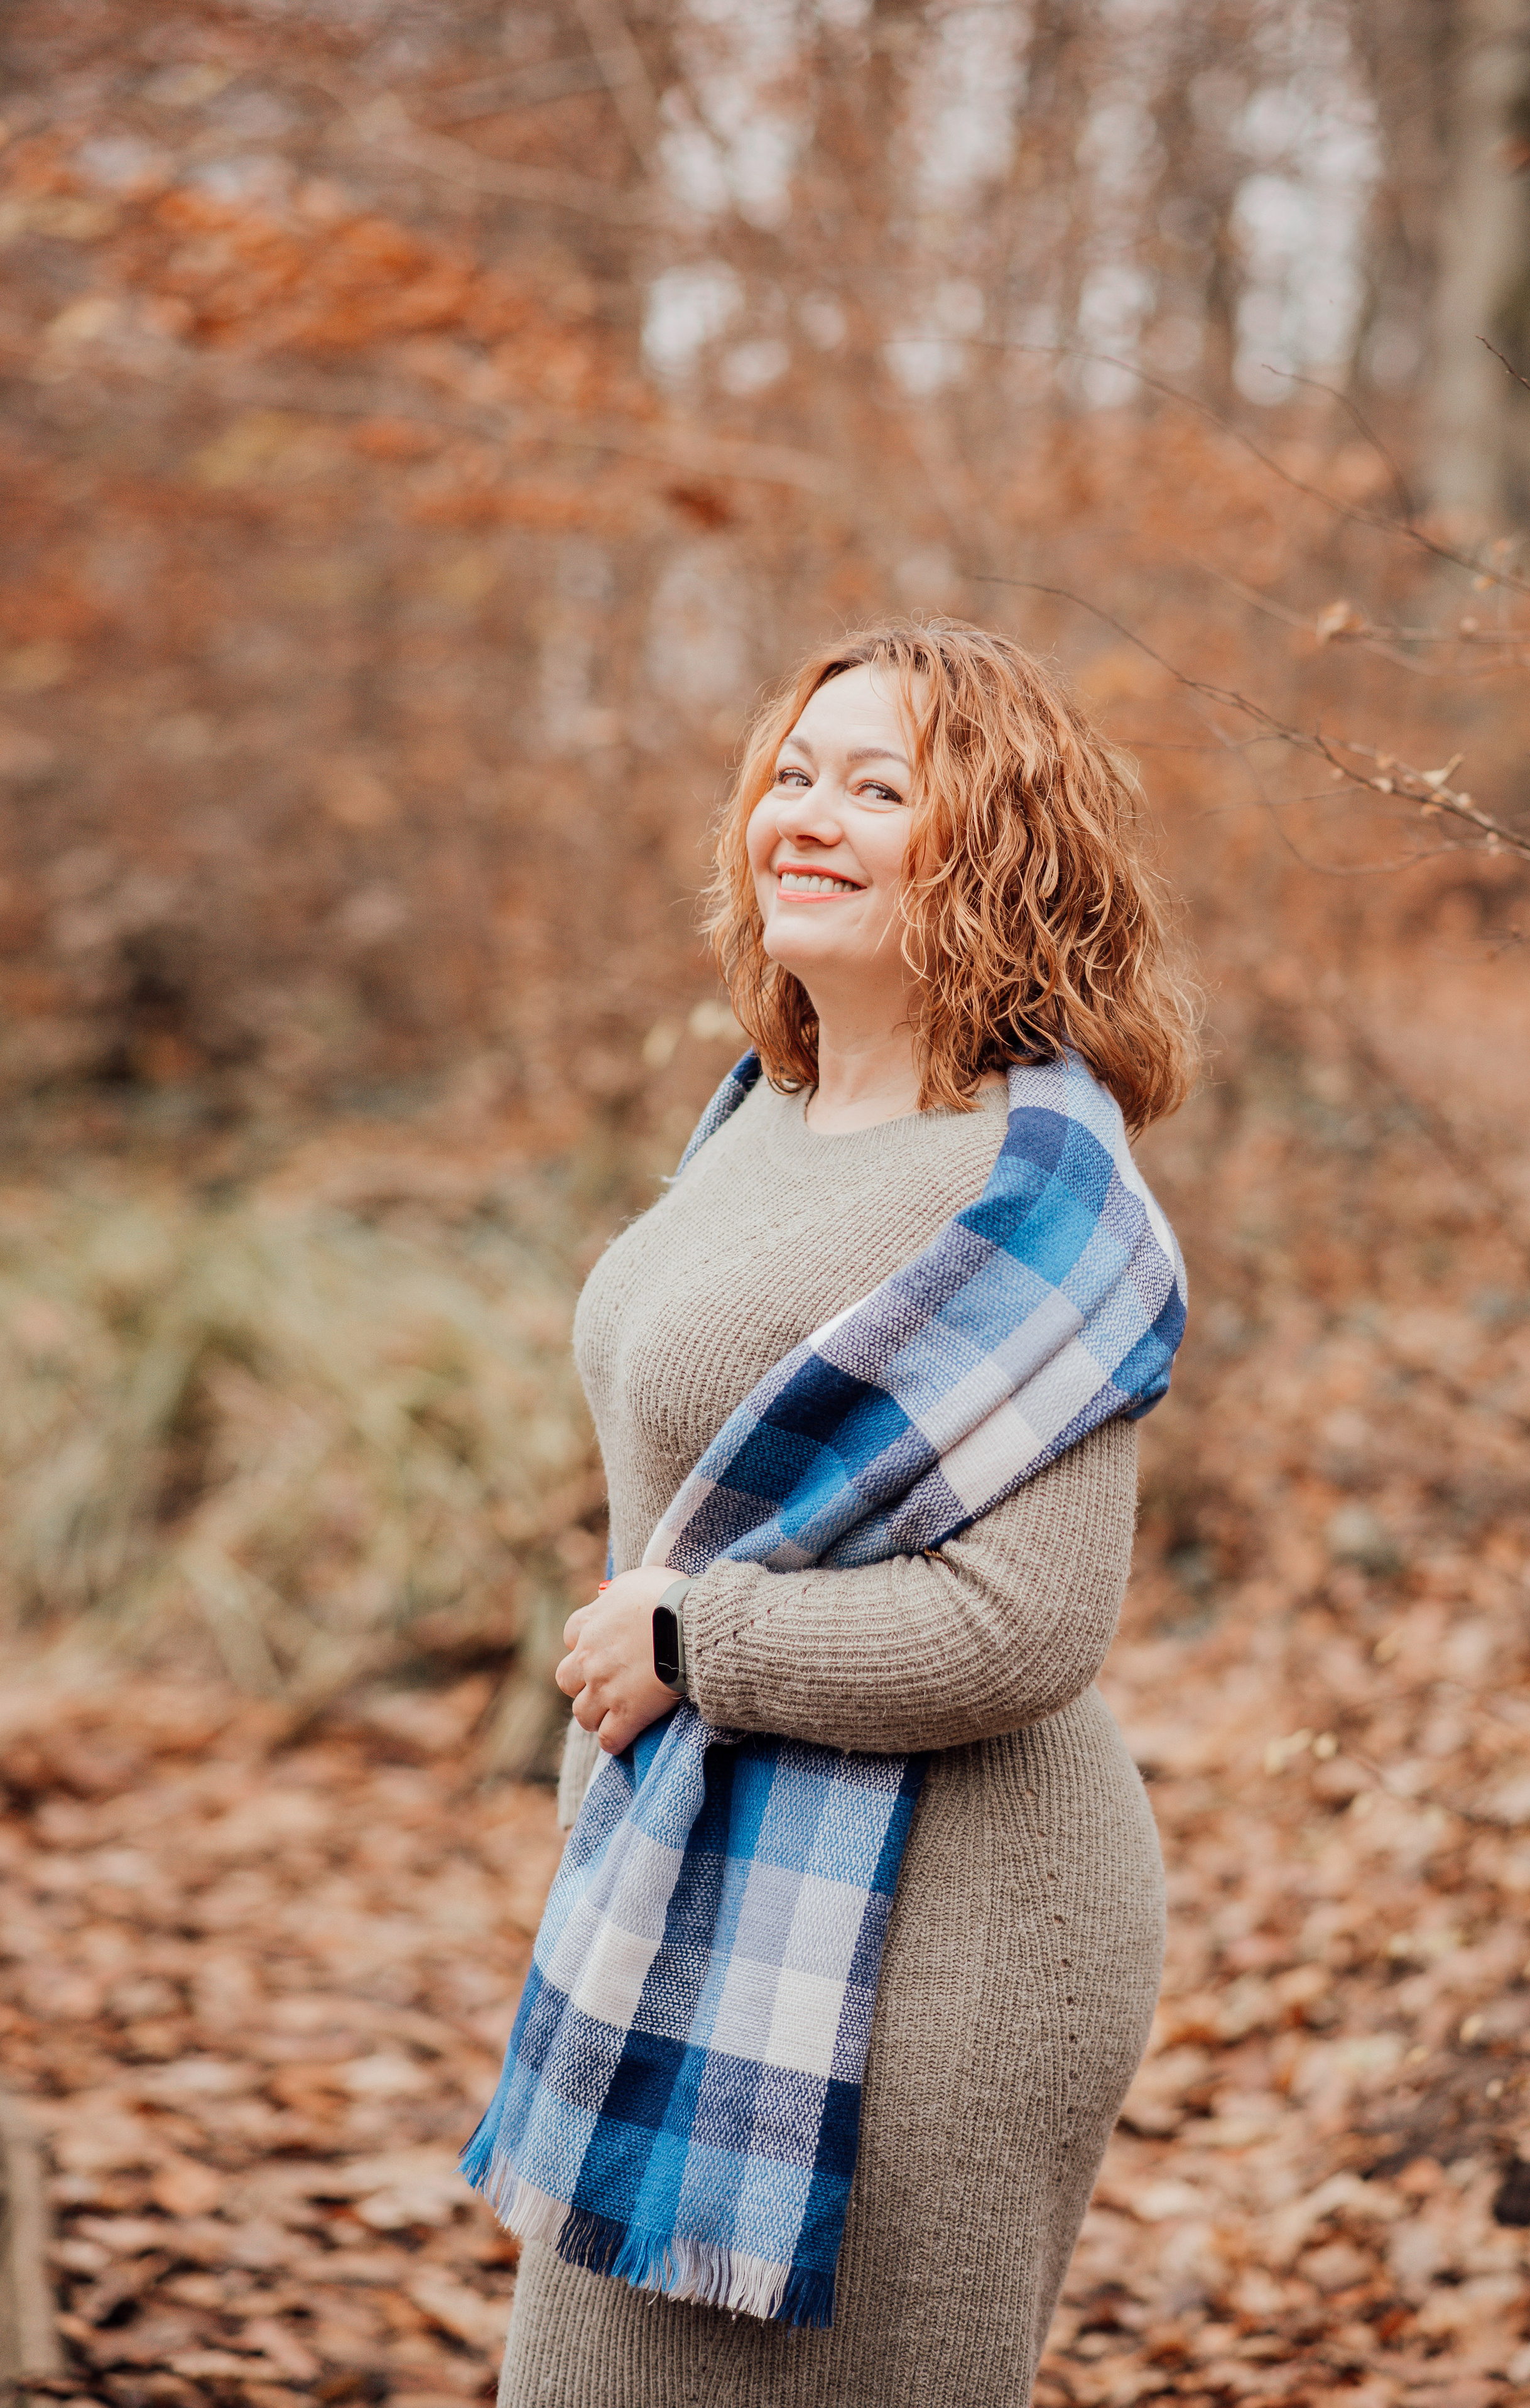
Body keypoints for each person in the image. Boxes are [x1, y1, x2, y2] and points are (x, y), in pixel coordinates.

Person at [488, 621, 1198, 2408]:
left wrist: (686, 1635)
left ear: (1002, 853)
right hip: (703, 1879)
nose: (804, 816)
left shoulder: (1038, 1193)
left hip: (936, 1940)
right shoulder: (765, 1112)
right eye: (794, 774)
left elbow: (1022, 1625)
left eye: (878, 788)